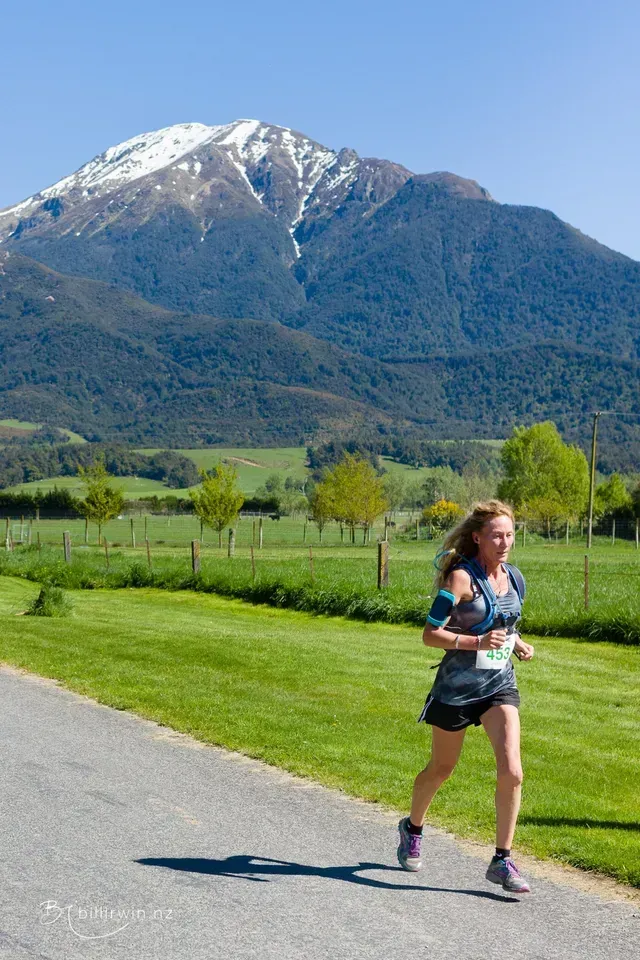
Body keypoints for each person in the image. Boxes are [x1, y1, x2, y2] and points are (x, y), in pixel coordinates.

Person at [397, 500, 535, 893]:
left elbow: (503, 625)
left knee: (513, 770)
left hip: (498, 687)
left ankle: (502, 859)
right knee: (441, 769)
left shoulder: (515, 579)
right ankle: (413, 827)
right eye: (496, 535)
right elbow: (429, 634)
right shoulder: (459, 579)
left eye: (509, 534)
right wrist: (476, 641)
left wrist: (518, 643)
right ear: (477, 537)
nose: (504, 542)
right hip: (455, 692)